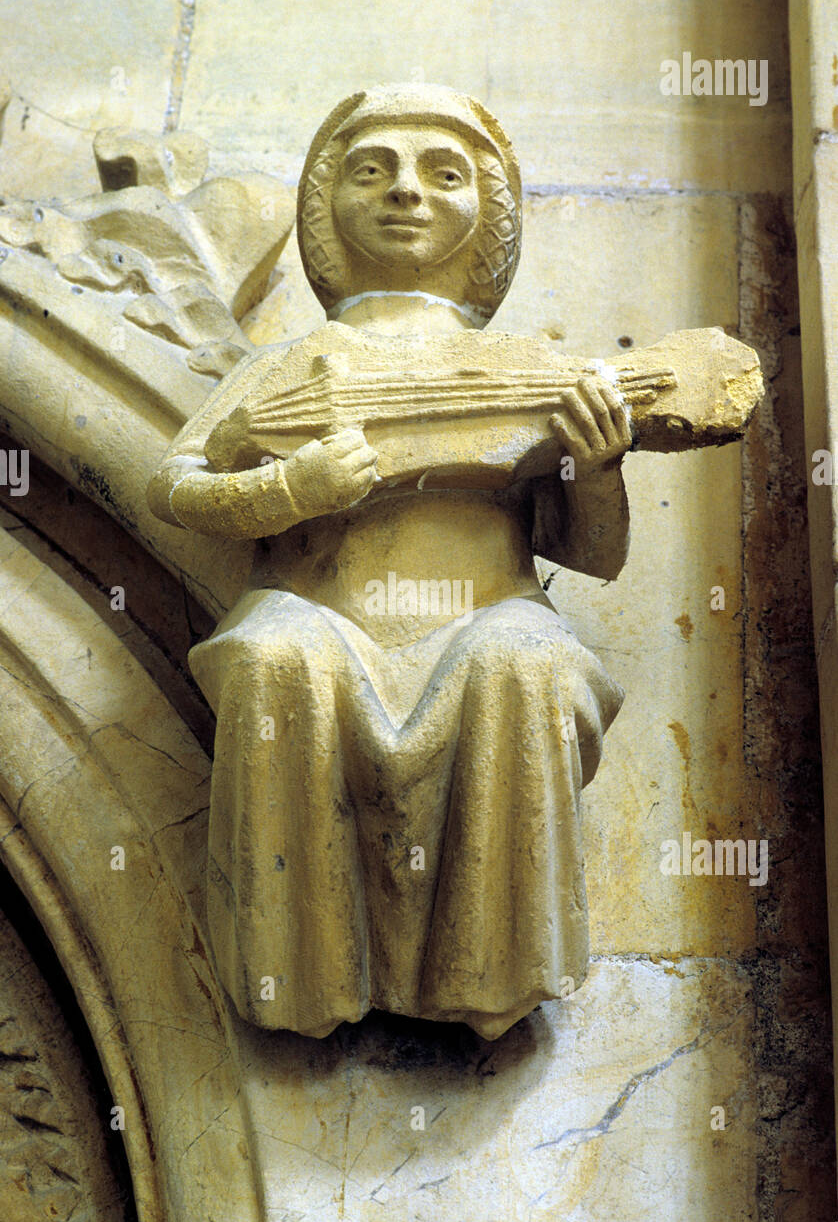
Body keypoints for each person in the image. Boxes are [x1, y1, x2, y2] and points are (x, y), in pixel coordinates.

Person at [147, 84, 631, 1040]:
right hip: (325, 624)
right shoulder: (296, 363)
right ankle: (301, 973)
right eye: (373, 170)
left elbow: (592, 554)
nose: (406, 192)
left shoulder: (526, 368)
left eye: (442, 175)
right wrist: (289, 490)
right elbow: (176, 486)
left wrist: (600, 467)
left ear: (486, 214)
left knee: (520, 660)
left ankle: (493, 970)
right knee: (275, 652)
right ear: (326, 204)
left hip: (482, 623)